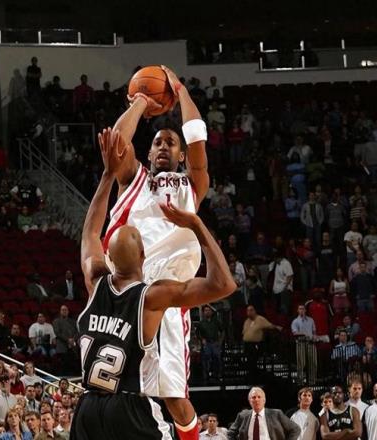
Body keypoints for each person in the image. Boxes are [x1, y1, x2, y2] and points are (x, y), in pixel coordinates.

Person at [71, 128, 235, 440]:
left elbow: (90, 233)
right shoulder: (151, 299)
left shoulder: (95, 281)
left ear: (108, 257)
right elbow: (223, 285)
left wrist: (107, 175)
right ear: (144, 255)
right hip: (128, 408)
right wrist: (197, 225)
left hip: (88, 408)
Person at [106, 65, 211, 438]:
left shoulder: (191, 185)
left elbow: (197, 137)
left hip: (167, 295)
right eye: (157, 142)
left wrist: (180, 92)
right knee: (120, 391)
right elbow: (115, 142)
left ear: (181, 155)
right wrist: (140, 102)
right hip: (128, 294)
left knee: (174, 397)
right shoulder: (133, 180)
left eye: (171, 142)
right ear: (149, 153)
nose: (164, 146)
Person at [229, 387, 300, 440]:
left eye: (259, 397)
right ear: (249, 401)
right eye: (253, 397)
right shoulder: (242, 416)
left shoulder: (276, 414)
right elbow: (230, 433)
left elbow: (295, 429)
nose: (256, 399)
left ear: (264, 400)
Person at [291, 305, 317, 385]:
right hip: (301, 343)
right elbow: (295, 333)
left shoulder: (311, 320)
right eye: (300, 309)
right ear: (297, 311)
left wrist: (314, 337)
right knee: (301, 363)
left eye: (303, 309)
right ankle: (301, 381)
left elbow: (314, 331)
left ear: (305, 310)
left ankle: (312, 381)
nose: (301, 310)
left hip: (311, 343)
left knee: (313, 363)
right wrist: (304, 334)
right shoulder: (295, 321)